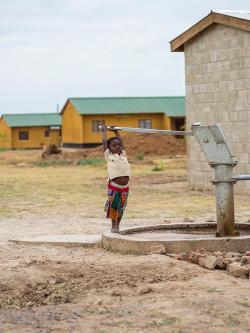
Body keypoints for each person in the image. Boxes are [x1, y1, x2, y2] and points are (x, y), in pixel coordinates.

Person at [101, 125, 130, 233]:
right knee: (113, 206)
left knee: (121, 207)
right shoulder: (108, 155)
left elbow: (121, 142)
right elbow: (104, 143)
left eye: (119, 145)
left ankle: (118, 224)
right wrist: (104, 132)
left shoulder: (123, 154)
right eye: (114, 146)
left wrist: (116, 132)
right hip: (114, 186)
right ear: (109, 148)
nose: (117, 147)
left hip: (125, 187)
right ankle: (114, 226)